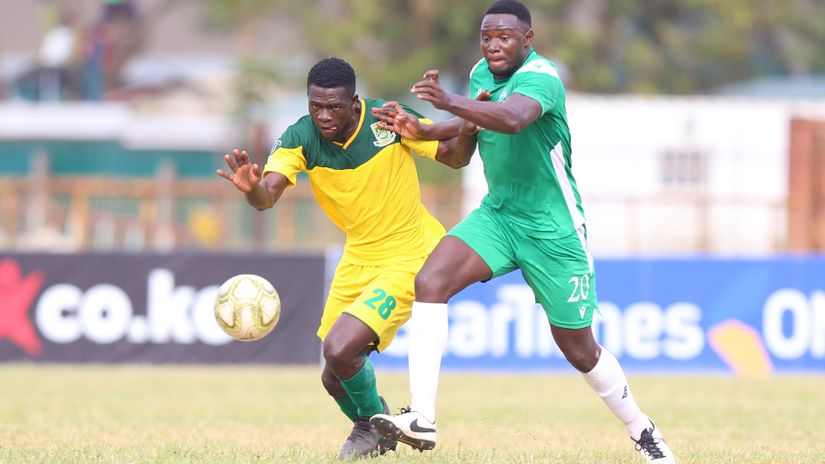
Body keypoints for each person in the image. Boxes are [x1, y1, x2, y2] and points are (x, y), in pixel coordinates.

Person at [368, 2, 676, 463]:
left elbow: (512, 119)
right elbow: (471, 128)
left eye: (505, 37)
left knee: (580, 350)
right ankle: (422, 417)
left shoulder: (542, 77)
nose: (493, 46)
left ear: (527, 40)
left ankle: (642, 430)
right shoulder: (480, 74)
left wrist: (447, 101)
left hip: (552, 230)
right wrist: (425, 130)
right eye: (487, 37)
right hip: (498, 216)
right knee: (430, 282)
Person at [216, 57, 477, 460]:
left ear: (354, 103)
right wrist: (251, 188)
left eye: (334, 106)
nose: (324, 116)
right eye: (315, 106)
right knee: (333, 376)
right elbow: (267, 197)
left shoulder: (387, 120)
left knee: (340, 348)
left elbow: (455, 158)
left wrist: (470, 129)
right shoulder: (300, 137)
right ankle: (378, 427)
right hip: (358, 257)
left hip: (411, 254)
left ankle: (371, 425)